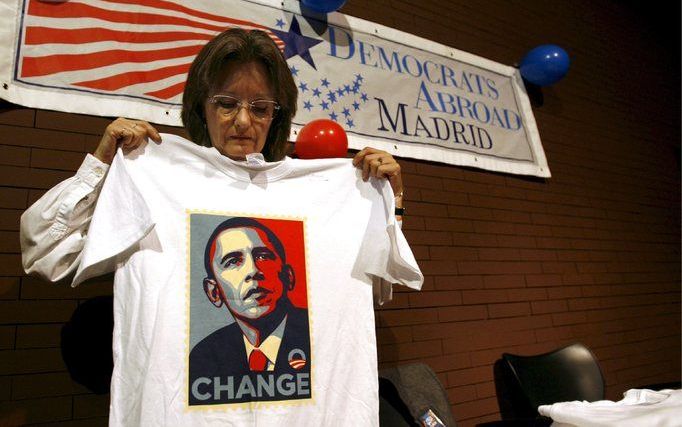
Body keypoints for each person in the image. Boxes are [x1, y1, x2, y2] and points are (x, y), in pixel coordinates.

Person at [20, 28, 420, 426]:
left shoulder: (327, 189)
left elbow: (378, 289)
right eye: (227, 104)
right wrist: (102, 164)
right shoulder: (155, 177)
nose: (244, 121)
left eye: (261, 108)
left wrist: (388, 202)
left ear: (288, 271)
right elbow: (45, 253)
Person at [189, 217, 311, 405]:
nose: (253, 270)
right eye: (232, 261)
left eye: (263, 256)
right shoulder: (204, 356)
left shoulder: (319, 335)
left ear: (288, 277)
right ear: (213, 292)